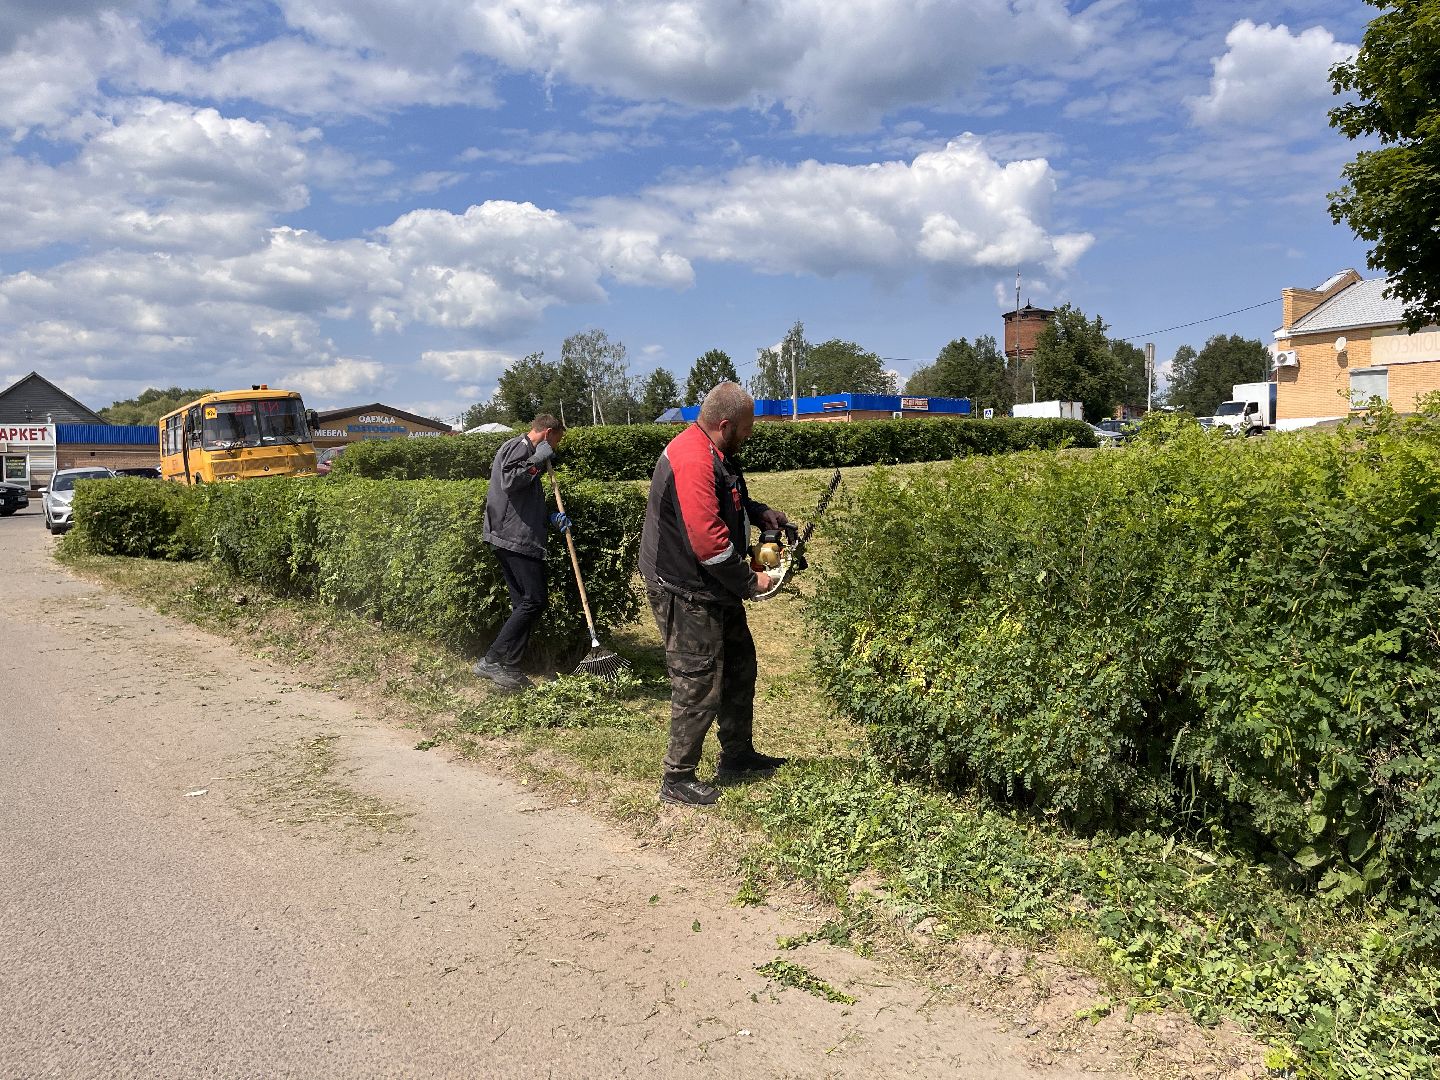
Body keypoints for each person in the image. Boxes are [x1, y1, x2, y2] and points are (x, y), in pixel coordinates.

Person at [639, 382, 790, 806]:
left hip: (712, 584)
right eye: (745, 428)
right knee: (698, 679)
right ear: (724, 424)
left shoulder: (717, 452)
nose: (750, 434)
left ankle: (737, 755)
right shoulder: (691, 457)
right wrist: (751, 581)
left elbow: (727, 498)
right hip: (683, 587)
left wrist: (760, 512)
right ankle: (677, 777)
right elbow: (708, 542)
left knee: (741, 666)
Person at [475, 415, 569, 691]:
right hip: (513, 538)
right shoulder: (518, 447)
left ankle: (510, 667)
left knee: (523, 604)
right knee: (534, 600)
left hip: (516, 536)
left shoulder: (526, 452)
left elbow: (521, 497)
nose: (556, 447)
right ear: (548, 432)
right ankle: (492, 659)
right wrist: (539, 459)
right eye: (557, 440)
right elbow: (511, 482)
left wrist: (550, 517)